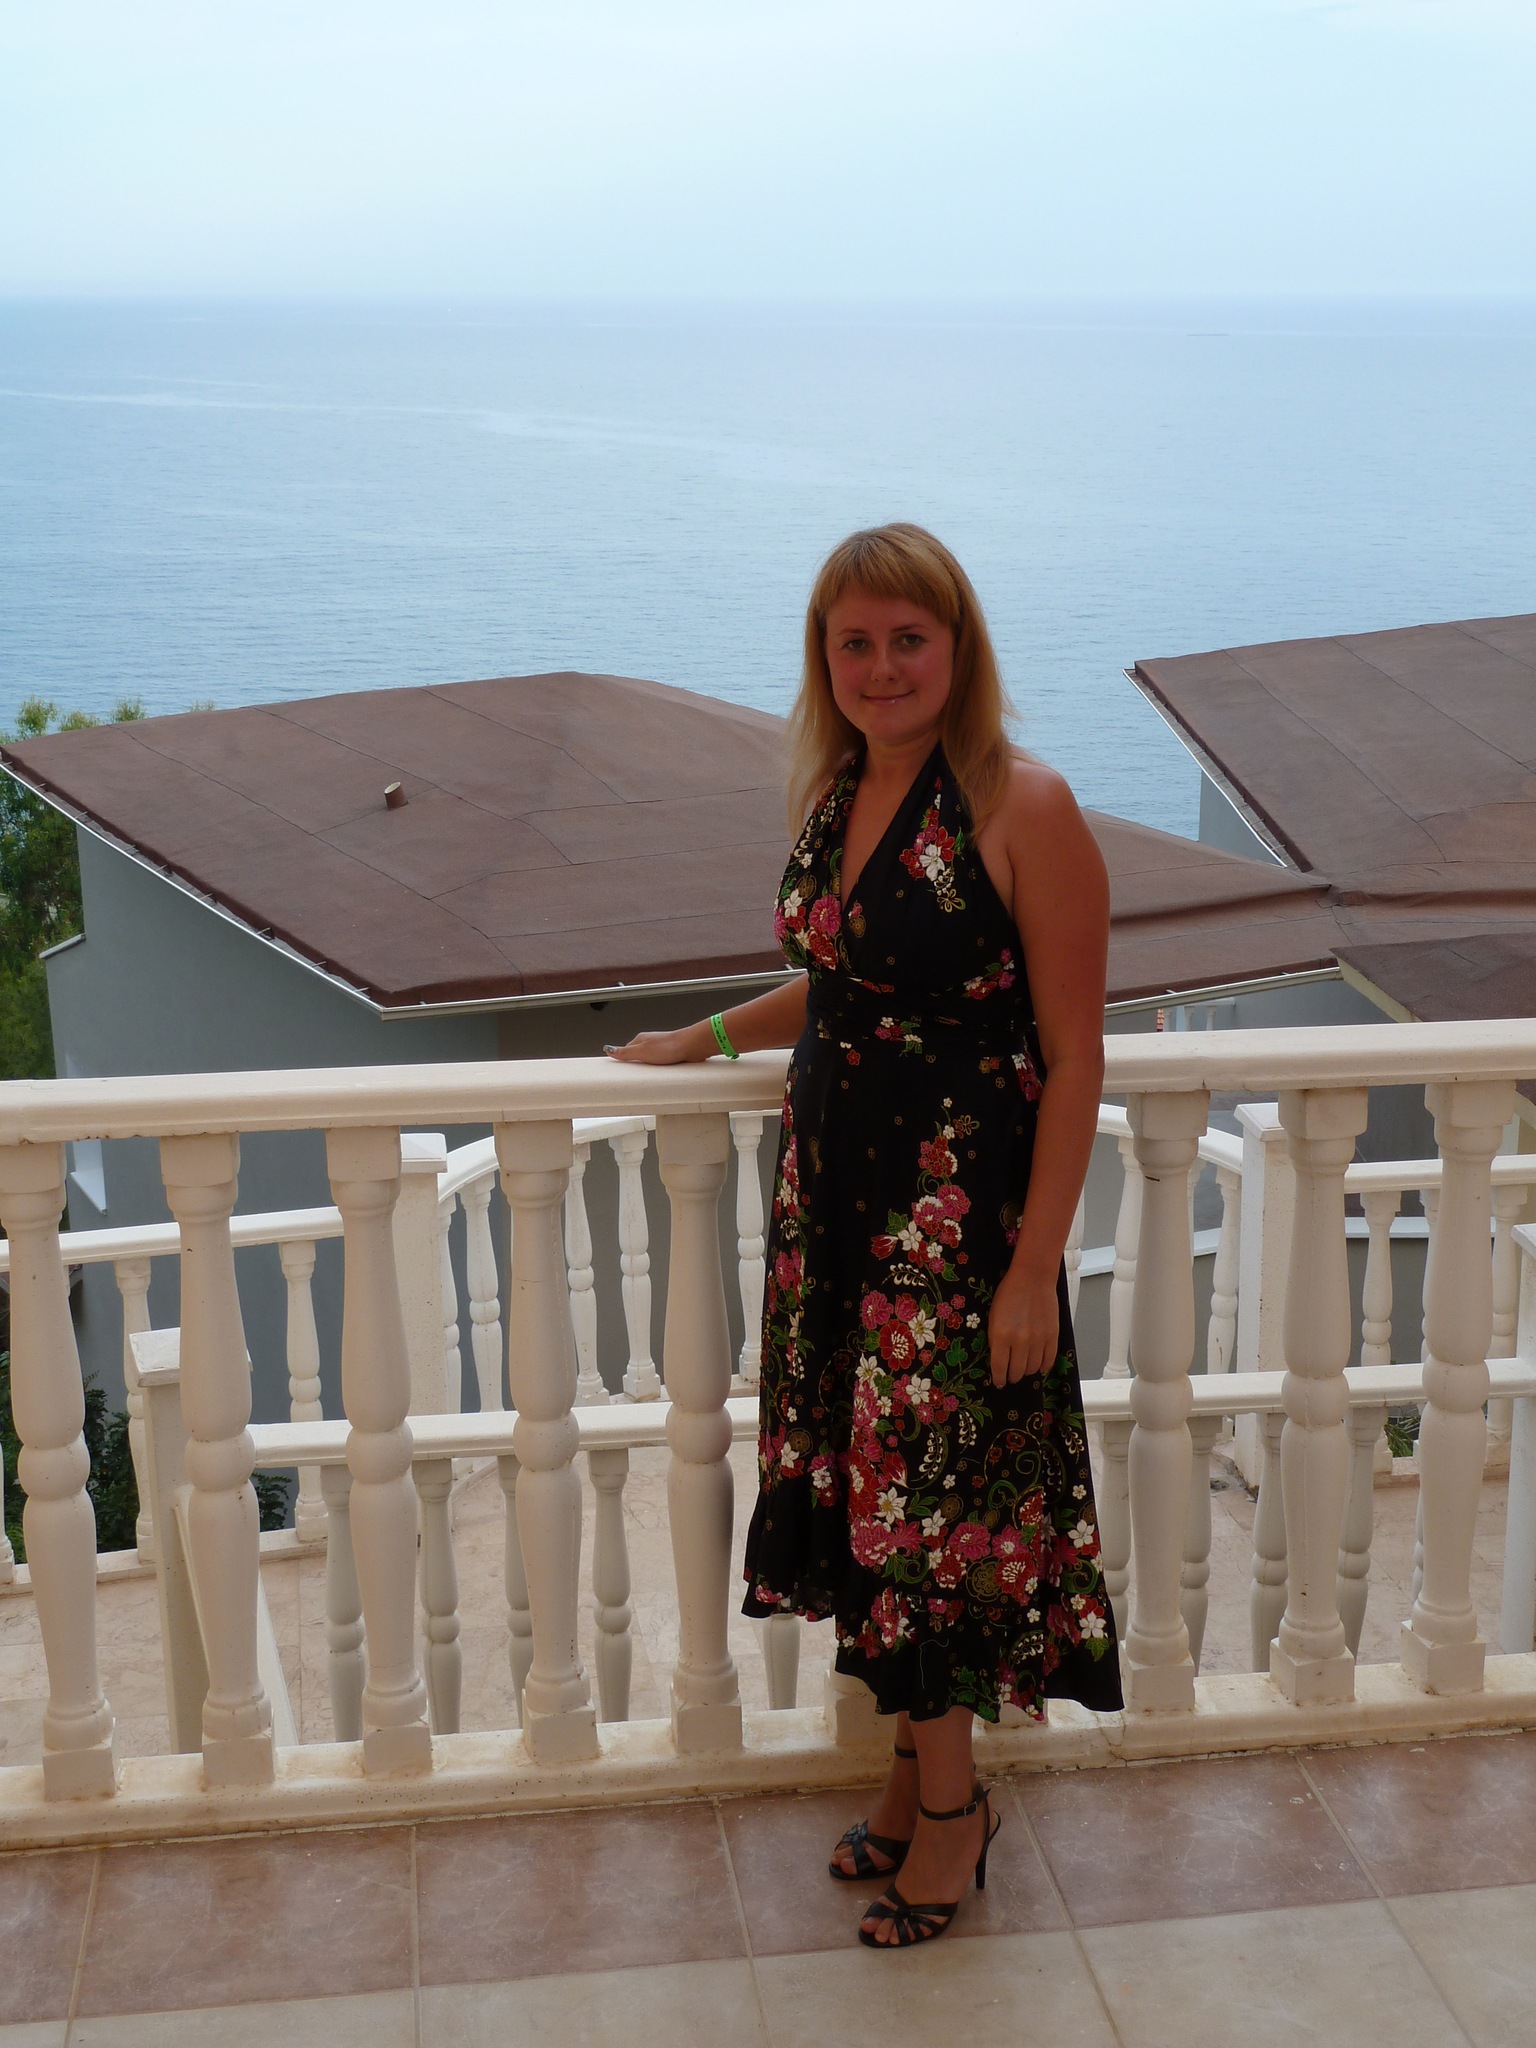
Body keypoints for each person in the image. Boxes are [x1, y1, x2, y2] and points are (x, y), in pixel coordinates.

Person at [608, 523, 1120, 1947]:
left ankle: (953, 1818)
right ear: (823, 659)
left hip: (952, 1241)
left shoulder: (1025, 804)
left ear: (958, 649)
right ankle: (909, 1781)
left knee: (926, 1521)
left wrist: (1033, 1267)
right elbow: (844, 981)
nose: (881, 666)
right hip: (835, 1219)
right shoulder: (841, 791)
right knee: (876, 1505)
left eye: (908, 638)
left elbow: (1075, 1058)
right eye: (854, 642)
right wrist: (703, 1038)